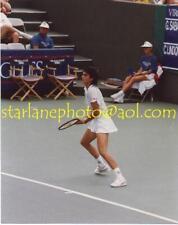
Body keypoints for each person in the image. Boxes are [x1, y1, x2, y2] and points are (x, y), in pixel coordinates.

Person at [77, 67, 127, 188]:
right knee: (84, 142)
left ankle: (120, 177)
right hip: (95, 121)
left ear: (91, 78)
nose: (82, 76)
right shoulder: (87, 88)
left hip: (102, 122)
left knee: (103, 151)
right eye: (82, 74)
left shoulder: (92, 91)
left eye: (85, 75)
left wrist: (84, 120)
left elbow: (97, 112)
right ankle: (102, 165)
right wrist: (87, 119)